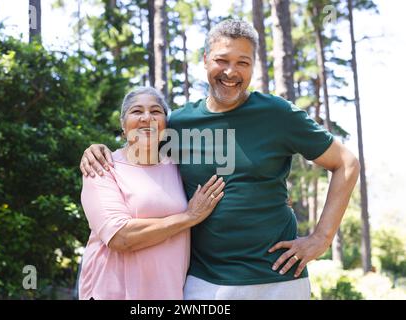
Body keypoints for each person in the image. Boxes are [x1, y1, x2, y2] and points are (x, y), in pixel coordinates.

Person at [80, 20, 360, 300]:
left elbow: (346, 163)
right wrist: (97, 149)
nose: (231, 72)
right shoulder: (179, 124)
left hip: (278, 279)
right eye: (221, 60)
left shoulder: (277, 114)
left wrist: (321, 239)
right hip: (205, 283)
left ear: (254, 66)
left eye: (243, 62)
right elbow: (138, 147)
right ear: (205, 60)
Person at [78, 86, 225, 300]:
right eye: (137, 111)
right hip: (112, 293)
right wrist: (188, 217)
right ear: (123, 125)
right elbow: (120, 237)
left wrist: (276, 200)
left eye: (156, 111)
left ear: (165, 125)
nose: (147, 118)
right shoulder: (102, 167)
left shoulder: (178, 166)